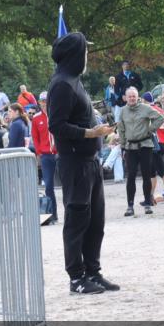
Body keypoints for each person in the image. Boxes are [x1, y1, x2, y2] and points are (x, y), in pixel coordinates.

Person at [46, 31, 118, 295]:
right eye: (85, 51)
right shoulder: (62, 84)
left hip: (90, 160)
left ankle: (93, 271)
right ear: (76, 54)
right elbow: (57, 126)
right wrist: (90, 133)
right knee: (77, 220)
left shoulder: (75, 81)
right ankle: (76, 277)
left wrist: (101, 131)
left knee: (95, 220)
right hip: (74, 162)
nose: (88, 55)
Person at [117, 87, 163, 217]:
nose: (132, 98)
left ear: (137, 97)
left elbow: (160, 118)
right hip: (130, 147)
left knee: (146, 175)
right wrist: (123, 145)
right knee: (130, 176)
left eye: (134, 96)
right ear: (126, 97)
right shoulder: (123, 111)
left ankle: (148, 203)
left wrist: (150, 129)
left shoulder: (145, 108)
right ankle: (130, 206)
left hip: (145, 145)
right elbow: (121, 129)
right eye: (129, 96)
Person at [32, 92, 58, 225]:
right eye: (42, 101)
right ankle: (52, 214)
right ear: (39, 102)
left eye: (47, 101)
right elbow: (35, 138)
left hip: (59, 154)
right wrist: (39, 153)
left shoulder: (58, 114)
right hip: (46, 154)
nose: (45, 103)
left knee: (68, 184)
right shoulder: (36, 118)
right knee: (48, 186)